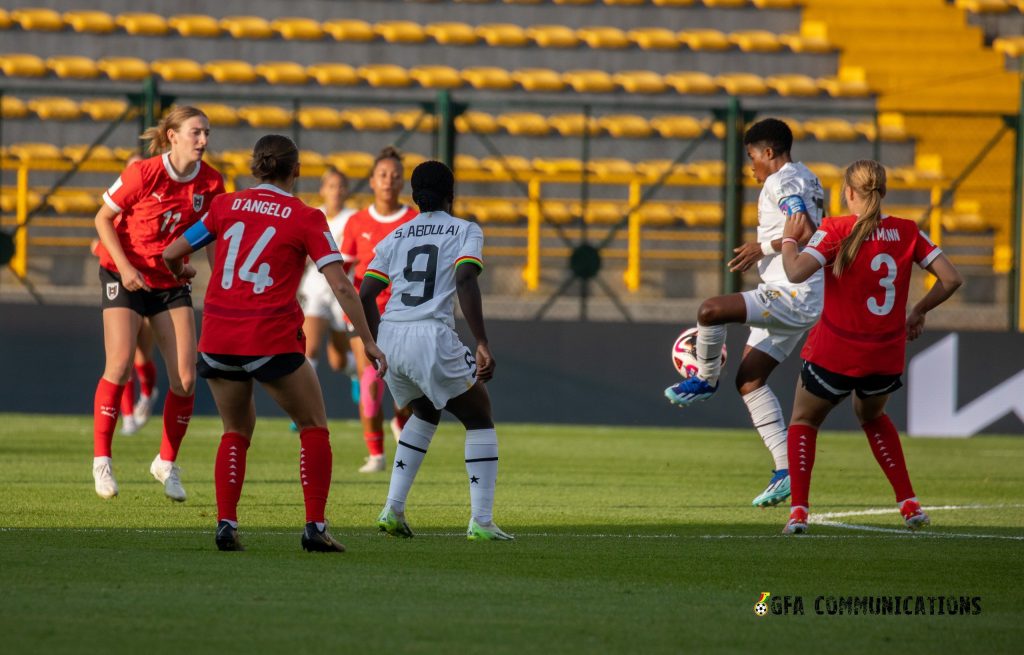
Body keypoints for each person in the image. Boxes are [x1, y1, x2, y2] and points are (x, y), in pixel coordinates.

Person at [162, 135, 388, 552]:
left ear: (255, 166)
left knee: (235, 429)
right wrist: (368, 340)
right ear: (296, 170)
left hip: (218, 336)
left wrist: (183, 271)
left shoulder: (224, 206)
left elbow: (172, 251)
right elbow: (340, 284)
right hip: (268, 336)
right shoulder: (305, 216)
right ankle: (315, 527)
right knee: (313, 426)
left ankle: (226, 524)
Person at [777, 159, 962, 534]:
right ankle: (909, 503)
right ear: (883, 191)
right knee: (873, 417)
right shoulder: (908, 231)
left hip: (835, 353)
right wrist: (918, 311)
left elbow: (795, 271)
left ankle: (798, 512)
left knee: (803, 421)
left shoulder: (835, 229)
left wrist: (788, 239)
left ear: (848, 193)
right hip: (884, 356)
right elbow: (951, 278)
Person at [664, 118, 825, 508]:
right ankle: (785, 470)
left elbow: (801, 227)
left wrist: (762, 246)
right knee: (750, 380)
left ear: (768, 153)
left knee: (711, 309)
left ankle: (704, 378)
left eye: (752, 157)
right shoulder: (809, 176)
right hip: (801, 293)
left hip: (792, 291)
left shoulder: (781, 181)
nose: (751, 166)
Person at [361, 160, 512, 541]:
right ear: (452, 195)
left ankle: (393, 509)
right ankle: (481, 520)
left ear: (413, 197)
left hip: (392, 334)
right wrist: (481, 341)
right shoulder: (465, 230)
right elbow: (465, 277)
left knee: (425, 413)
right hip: (431, 334)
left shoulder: (394, 237)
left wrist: (373, 343)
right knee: (479, 416)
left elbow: (365, 293)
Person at [91, 106, 224, 501]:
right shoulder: (144, 173)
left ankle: (165, 462)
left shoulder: (213, 183)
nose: (203, 141)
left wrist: (211, 280)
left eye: (206, 133)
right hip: (123, 275)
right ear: (173, 137)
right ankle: (102, 460)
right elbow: (102, 219)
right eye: (196, 133)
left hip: (168, 282)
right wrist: (125, 266)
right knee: (118, 366)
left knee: (185, 376)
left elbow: (212, 235)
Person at [341, 146, 418, 472]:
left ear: (403, 182)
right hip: (365, 316)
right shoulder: (357, 222)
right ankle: (376, 454)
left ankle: (401, 420)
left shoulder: (415, 220)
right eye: (383, 175)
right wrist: (348, 311)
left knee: (407, 388)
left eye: (396, 175)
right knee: (370, 382)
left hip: (403, 316)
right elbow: (345, 270)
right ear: (372, 180)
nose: (389, 181)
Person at [90, 153, 161, 437]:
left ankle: (148, 393)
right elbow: (100, 241)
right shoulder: (117, 205)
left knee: (143, 355)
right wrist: (100, 250)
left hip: (153, 285)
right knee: (124, 356)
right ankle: (128, 416)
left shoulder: (156, 206)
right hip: (123, 284)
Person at [297, 167, 360, 411]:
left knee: (338, 360)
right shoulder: (312, 215)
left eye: (341, 186)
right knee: (309, 347)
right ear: (323, 189)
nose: (336, 191)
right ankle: (303, 407)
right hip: (315, 288)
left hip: (342, 288)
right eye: (331, 186)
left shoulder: (353, 218)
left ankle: (355, 371)